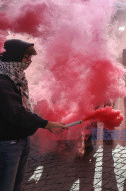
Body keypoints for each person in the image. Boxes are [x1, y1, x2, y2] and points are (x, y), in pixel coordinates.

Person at [0, 39, 67, 191]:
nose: (29, 61)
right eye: (26, 57)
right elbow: (16, 113)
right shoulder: (3, 82)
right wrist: (46, 124)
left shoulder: (16, 75)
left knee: (16, 185)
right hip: (8, 143)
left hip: (20, 140)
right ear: (16, 57)